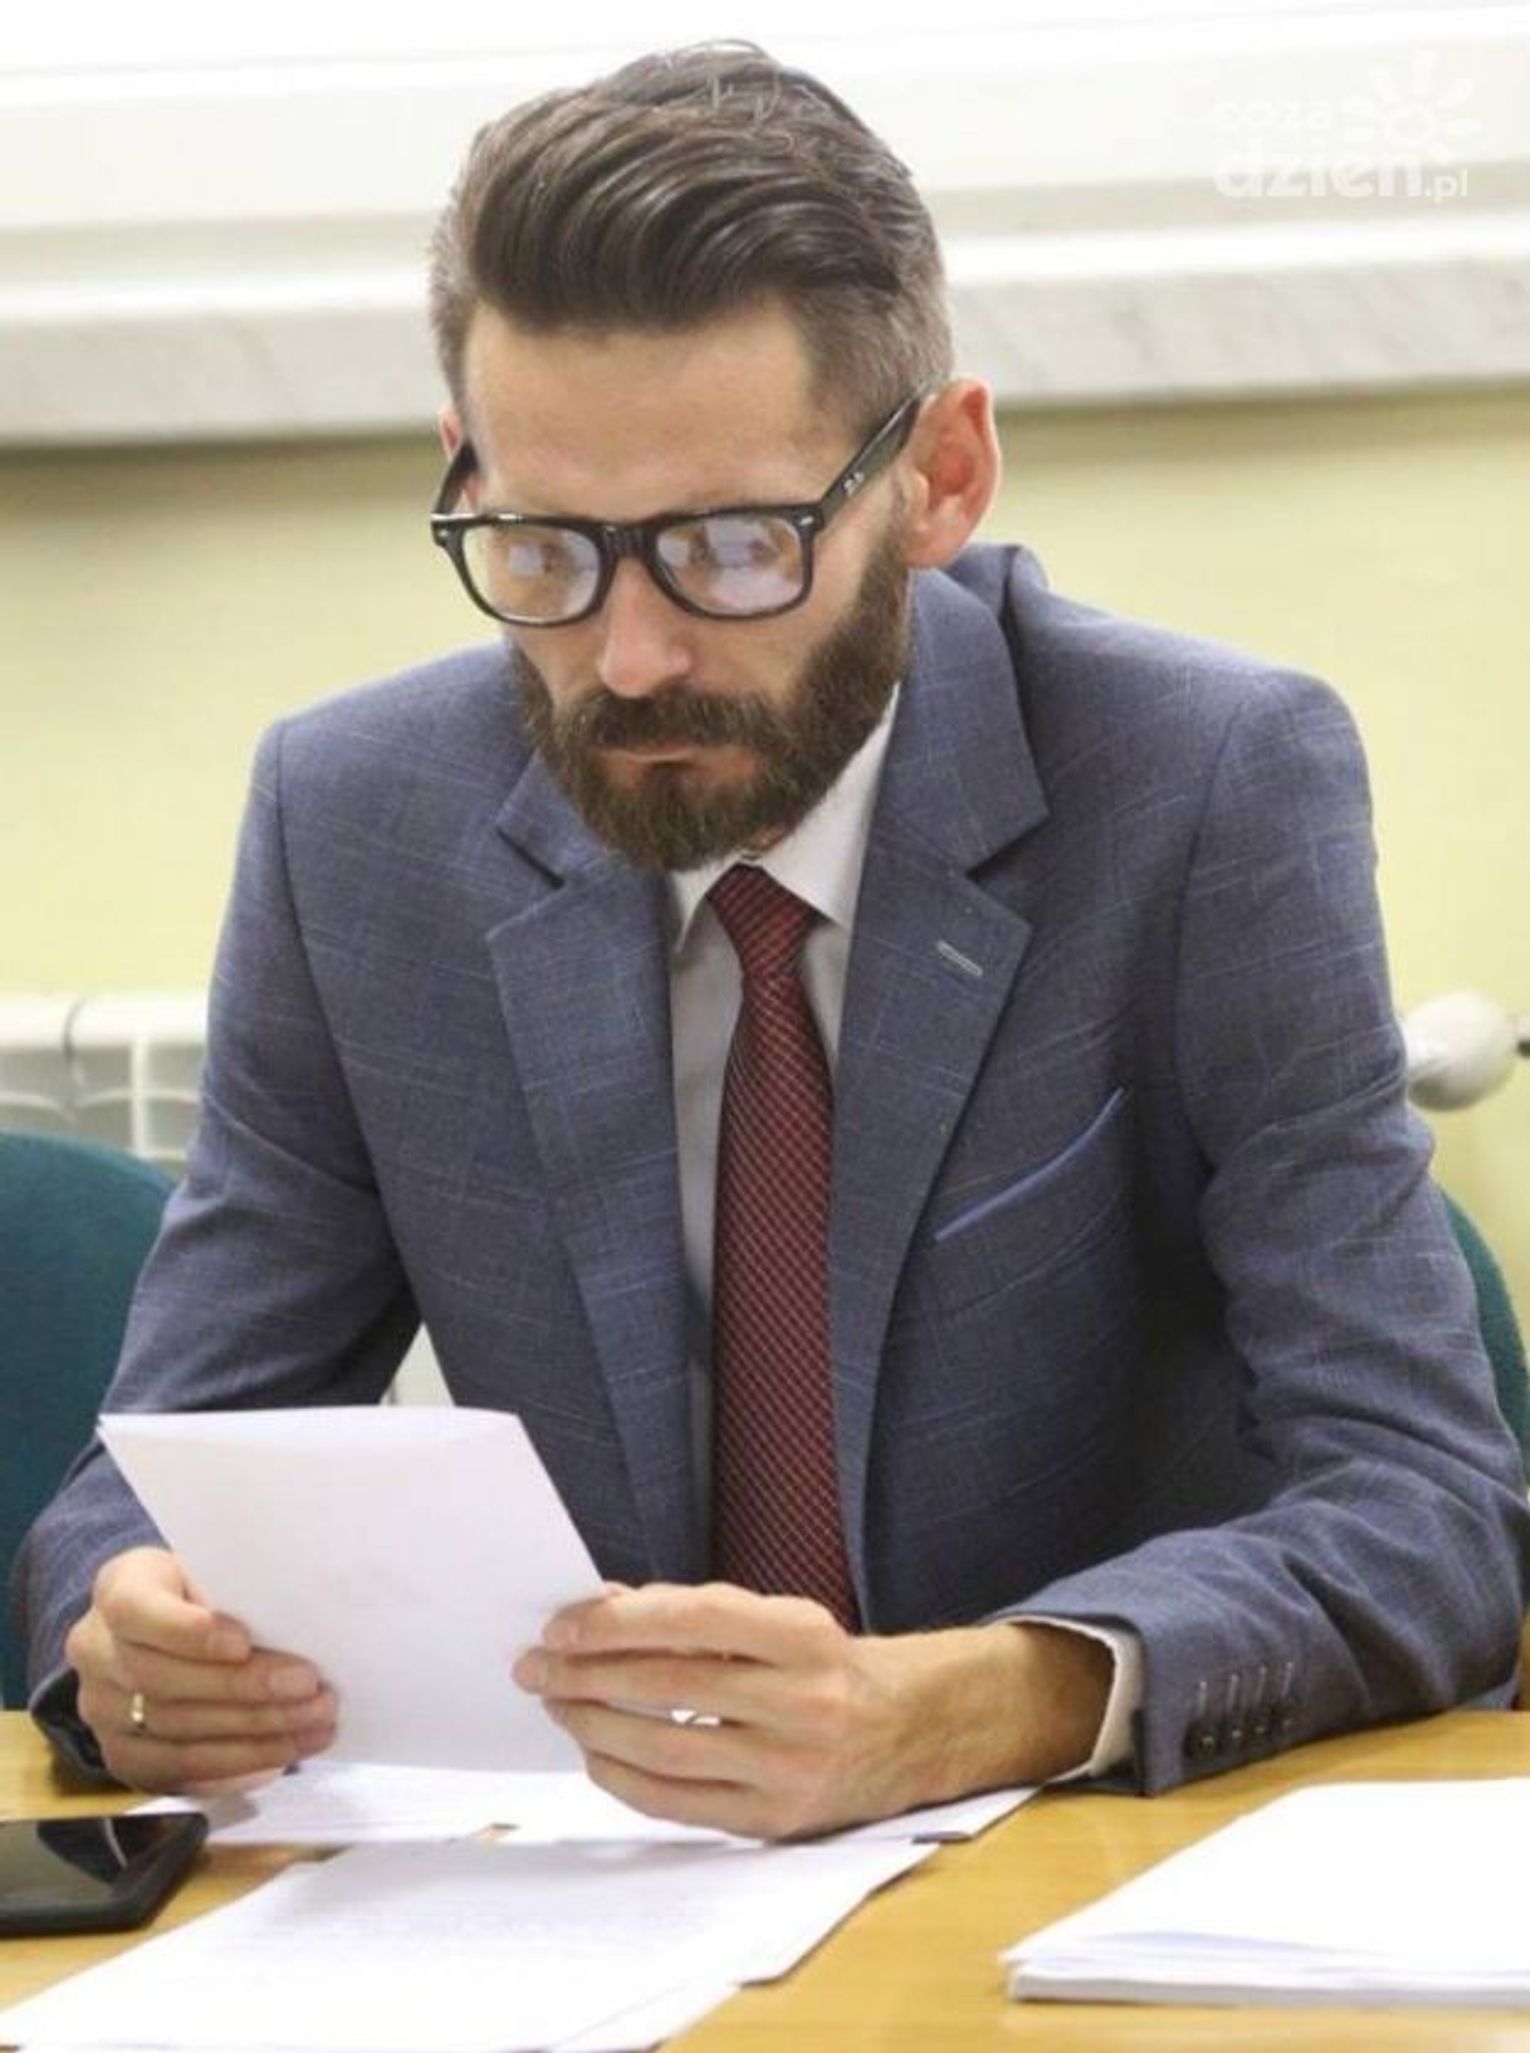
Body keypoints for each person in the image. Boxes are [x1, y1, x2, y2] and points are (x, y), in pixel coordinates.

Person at [15, 43, 1528, 1839]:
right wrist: (134, 1635)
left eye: (732, 548)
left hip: (1078, 1859)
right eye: (541, 546)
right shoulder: (356, 821)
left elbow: (1429, 1502)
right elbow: (154, 1469)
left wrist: (980, 1695)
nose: (630, 656)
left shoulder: (1201, 785)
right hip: (590, 1890)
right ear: (463, 467)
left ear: (939, 477)